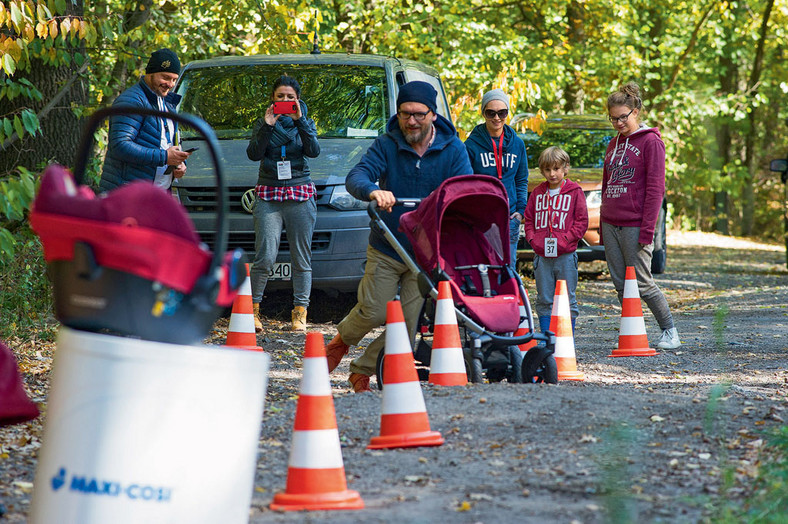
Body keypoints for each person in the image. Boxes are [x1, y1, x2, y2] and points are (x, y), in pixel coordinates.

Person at [323, 81, 473, 392]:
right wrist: (373, 190)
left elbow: (466, 187)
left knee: (406, 327)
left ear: (433, 114)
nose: (411, 121)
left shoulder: (453, 148)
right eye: (405, 114)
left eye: (419, 114)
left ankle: (361, 370)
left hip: (425, 253)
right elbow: (357, 176)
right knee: (375, 310)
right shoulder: (387, 144)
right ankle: (342, 340)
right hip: (388, 246)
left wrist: (446, 199)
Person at [602, 82, 680, 349]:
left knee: (643, 282)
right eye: (613, 118)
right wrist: (603, 220)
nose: (618, 122)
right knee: (620, 284)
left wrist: (648, 230)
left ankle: (669, 330)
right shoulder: (613, 144)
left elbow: (656, 189)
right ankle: (632, 331)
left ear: (636, 111)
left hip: (635, 224)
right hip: (611, 222)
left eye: (623, 117)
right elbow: (606, 183)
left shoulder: (651, 142)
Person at [246, 76, 320, 332]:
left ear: (297, 99)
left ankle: (300, 313)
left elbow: (313, 150)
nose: (286, 101)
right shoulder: (263, 121)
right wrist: (267, 126)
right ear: (273, 99)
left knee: (302, 258)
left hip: (300, 192)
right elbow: (254, 154)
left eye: (290, 97)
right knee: (265, 256)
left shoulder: (306, 123)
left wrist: (301, 122)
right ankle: (252, 311)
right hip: (269, 193)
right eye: (281, 97)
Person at [100, 48, 192, 192]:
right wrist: (164, 157)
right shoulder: (132, 101)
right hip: (128, 194)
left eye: (174, 79)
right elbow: (119, 146)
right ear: (150, 73)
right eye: (166, 77)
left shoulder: (166, 102)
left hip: (156, 195)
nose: (171, 84)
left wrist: (179, 163)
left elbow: (167, 143)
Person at [523, 146, 588, 333]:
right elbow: (529, 220)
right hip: (542, 256)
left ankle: (567, 339)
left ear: (565, 168)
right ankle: (547, 340)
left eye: (556, 169)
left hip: (566, 256)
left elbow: (581, 221)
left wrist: (566, 239)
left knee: (568, 298)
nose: (552, 174)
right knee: (544, 298)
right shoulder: (537, 193)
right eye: (547, 170)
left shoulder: (575, 192)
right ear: (542, 171)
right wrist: (533, 240)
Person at [464, 89, 528, 267]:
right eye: (490, 112)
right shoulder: (470, 145)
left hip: (510, 217)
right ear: (483, 113)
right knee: (482, 267)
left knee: (508, 268)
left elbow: (521, 179)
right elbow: (466, 184)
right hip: (481, 218)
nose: (497, 118)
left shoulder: (517, 144)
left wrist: (520, 211)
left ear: (508, 112)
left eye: (502, 113)